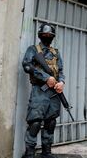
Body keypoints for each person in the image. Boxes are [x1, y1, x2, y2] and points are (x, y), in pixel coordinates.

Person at [22, 23, 65, 158]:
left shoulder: (56, 52)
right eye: (44, 35)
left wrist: (61, 82)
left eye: (49, 35)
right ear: (40, 36)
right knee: (35, 122)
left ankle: (47, 151)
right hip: (39, 91)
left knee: (51, 122)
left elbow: (61, 70)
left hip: (54, 93)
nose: (47, 37)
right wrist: (45, 77)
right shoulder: (33, 50)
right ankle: (30, 153)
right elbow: (26, 65)